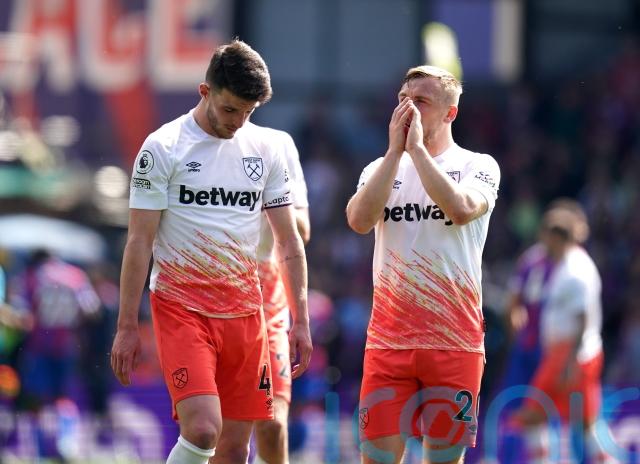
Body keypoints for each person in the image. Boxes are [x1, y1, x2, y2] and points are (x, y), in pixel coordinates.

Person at [109, 39, 312, 464]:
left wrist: (301, 321)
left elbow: (290, 240)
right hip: (182, 309)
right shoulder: (163, 147)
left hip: (246, 313)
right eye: (230, 109)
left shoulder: (266, 149)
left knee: (234, 451)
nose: (238, 122)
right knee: (202, 430)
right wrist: (126, 325)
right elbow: (139, 241)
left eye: (248, 112)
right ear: (205, 92)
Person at [346, 65, 500, 464]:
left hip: (454, 341)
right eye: (402, 100)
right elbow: (359, 221)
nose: (408, 110)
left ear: (450, 113)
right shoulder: (379, 169)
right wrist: (395, 153)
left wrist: (416, 151)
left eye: (421, 101)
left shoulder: (478, 165)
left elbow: (461, 209)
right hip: (388, 342)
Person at [510, 201, 613, 463]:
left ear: (556, 237)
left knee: (533, 414)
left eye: (547, 237)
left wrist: (569, 362)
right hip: (574, 354)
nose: (543, 243)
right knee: (584, 422)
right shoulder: (567, 263)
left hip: (569, 355)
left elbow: (582, 319)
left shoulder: (575, 271)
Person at [253, 128, 310, 464]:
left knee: (273, 424)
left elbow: (303, 229)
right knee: (222, 434)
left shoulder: (279, 145)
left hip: (268, 298)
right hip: (216, 295)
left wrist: (271, 201)